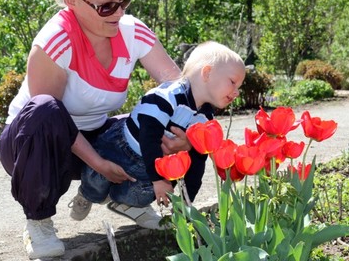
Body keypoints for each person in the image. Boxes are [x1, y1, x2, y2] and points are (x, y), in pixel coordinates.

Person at [0, 0, 189, 259]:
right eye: (106, 6)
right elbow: (47, 118)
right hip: (32, 143)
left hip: (91, 134)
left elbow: (177, 89)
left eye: (124, 1)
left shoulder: (133, 32)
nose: (120, 12)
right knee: (46, 110)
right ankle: (38, 222)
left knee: (154, 119)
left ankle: (128, 198)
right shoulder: (55, 40)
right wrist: (98, 164)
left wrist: (181, 133)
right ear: (72, 1)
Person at [68, 41, 246, 228]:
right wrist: (158, 180)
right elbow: (148, 136)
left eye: (239, 86)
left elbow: (197, 163)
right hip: (121, 148)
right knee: (97, 182)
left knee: (146, 195)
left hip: (148, 166)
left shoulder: (205, 118)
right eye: (233, 82)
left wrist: (186, 203)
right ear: (207, 73)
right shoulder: (168, 96)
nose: (236, 92)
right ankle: (86, 194)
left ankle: (122, 202)